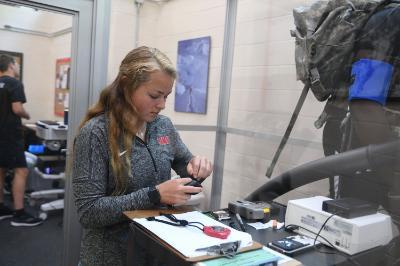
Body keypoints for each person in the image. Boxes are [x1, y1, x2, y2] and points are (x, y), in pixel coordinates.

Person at [72, 46, 213, 266]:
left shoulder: (162, 126)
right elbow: (89, 212)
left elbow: (184, 163)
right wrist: (154, 196)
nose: (162, 105)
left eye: (166, 96)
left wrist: (197, 167)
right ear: (127, 84)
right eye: (154, 96)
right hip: (110, 258)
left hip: (155, 251)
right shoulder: (96, 133)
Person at [0, 54, 43, 227]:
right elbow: (17, 108)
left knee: (0, 170)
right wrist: (27, 115)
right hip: (10, 134)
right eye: (16, 64)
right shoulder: (15, 83)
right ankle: (19, 213)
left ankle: (1, 208)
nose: (17, 67)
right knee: (21, 171)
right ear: (11, 65)